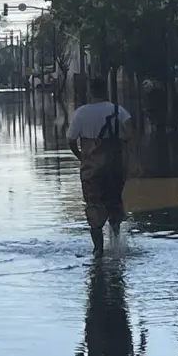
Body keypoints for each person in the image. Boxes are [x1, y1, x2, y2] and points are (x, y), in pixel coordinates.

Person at [66, 76, 134, 255]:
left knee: (93, 205)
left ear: (90, 91)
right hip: (114, 166)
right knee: (114, 203)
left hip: (91, 169)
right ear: (106, 91)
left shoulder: (81, 113)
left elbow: (71, 139)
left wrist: (81, 157)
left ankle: (98, 250)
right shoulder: (118, 110)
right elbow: (129, 132)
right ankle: (116, 243)